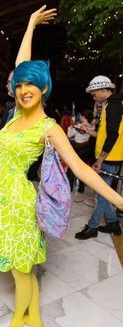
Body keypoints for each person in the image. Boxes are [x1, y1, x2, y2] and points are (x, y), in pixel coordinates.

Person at [0, 5, 123, 327]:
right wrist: (28, 25)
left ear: (44, 89)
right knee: (18, 264)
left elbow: (82, 168)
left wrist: (117, 198)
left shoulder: (48, 127)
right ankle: (35, 309)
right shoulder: (13, 116)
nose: (24, 88)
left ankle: (19, 317)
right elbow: (21, 65)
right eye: (20, 84)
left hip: (21, 202)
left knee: (21, 267)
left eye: (32, 85)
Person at [75, 75, 123, 239]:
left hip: (110, 158)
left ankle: (92, 226)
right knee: (101, 192)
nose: (92, 95)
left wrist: (100, 160)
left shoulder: (114, 106)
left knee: (101, 194)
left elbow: (112, 136)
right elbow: (103, 135)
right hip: (109, 156)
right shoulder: (109, 104)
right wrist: (88, 130)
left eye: (94, 92)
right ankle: (113, 223)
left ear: (103, 89)